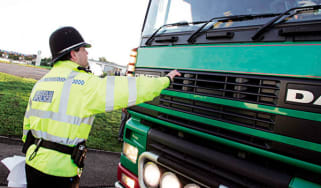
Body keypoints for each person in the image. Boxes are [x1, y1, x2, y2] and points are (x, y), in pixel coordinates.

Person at [22, 26, 181, 188]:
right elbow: (130, 89)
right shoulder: (84, 84)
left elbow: (26, 128)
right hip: (59, 172)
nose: (87, 53)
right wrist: (166, 80)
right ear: (73, 54)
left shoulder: (41, 83)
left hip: (32, 163)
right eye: (84, 49)